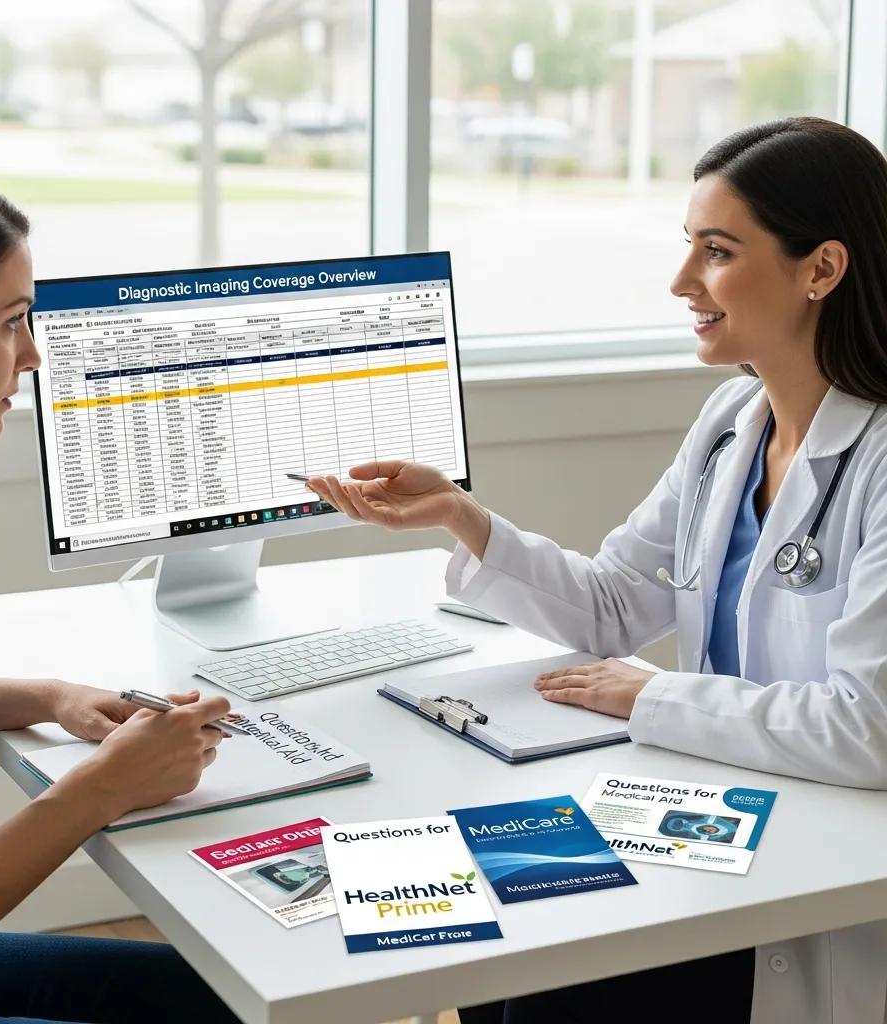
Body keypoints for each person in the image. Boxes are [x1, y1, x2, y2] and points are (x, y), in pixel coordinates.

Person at [306, 117, 887, 1024]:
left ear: (822, 269)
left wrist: (649, 698)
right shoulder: (734, 421)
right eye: (687, 246)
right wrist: (460, 516)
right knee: (496, 942)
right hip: (724, 806)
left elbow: (870, 730)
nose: (682, 282)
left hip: (824, 863)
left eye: (717, 251)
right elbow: (616, 604)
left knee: (543, 986)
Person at [0, 160, 241, 1024]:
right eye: (13, 322)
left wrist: (50, 698)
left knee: (229, 999)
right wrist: (102, 788)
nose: (33, 356)